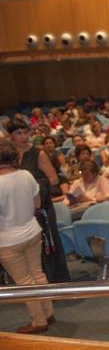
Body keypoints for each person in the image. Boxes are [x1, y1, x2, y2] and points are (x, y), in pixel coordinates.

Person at [5, 119, 71, 283]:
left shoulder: (38, 153)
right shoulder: (9, 156)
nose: (23, 137)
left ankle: (53, 282)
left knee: (47, 247)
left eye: (25, 132)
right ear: (10, 136)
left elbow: (54, 179)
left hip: (41, 208)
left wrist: (30, 184)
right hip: (19, 208)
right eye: (18, 133)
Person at [0, 139, 54, 334]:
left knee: (24, 283)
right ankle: (48, 313)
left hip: (8, 240)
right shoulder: (26, 174)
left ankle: (39, 322)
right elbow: (37, 205)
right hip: (32, 231)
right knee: (38, 274)